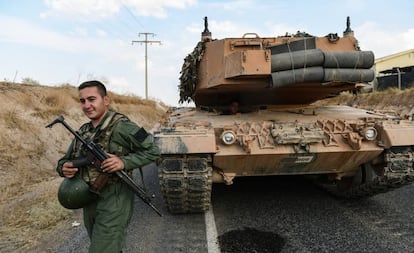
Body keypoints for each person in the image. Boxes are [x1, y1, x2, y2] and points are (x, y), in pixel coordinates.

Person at [55, 80, 160, 252]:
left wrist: (123, 162)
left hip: (115, 198)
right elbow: (64, 160)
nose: (87, 105)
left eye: (92, 99)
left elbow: (154, 150)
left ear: (106, 100)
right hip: (90, 197)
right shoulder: (84, 131)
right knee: (106, 246)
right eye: (83, 101)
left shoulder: (123, 126)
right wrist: (63, 167)